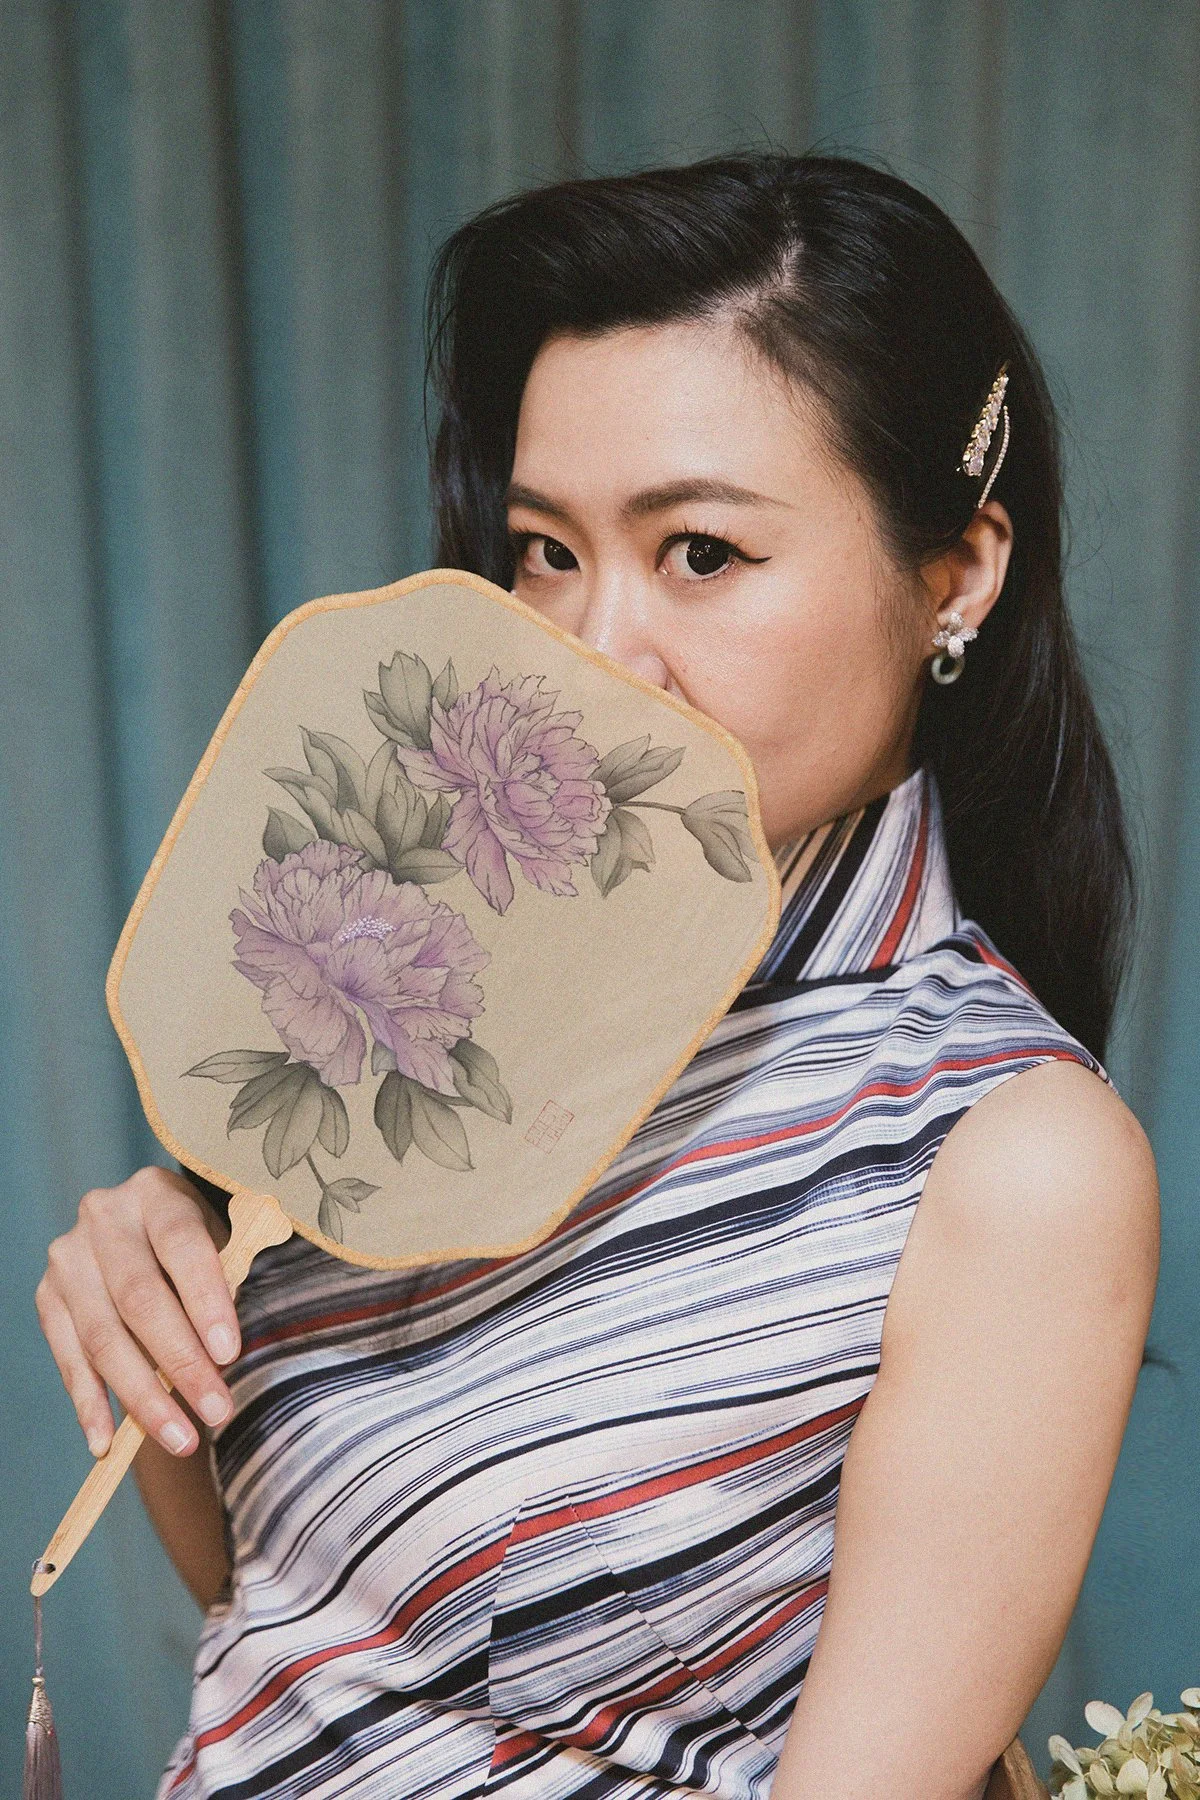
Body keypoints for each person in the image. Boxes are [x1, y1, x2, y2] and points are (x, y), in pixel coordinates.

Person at [34, 152, 1159, 1800]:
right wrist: (165, 1325)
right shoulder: (424, 971)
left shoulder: (1005, 1161)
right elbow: (302, 1630)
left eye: (700, 552)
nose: (591, 649)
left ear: (956, 575)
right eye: (547, 551)